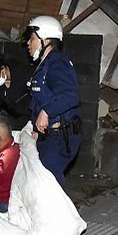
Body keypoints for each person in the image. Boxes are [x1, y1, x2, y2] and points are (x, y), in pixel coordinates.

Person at [25, 15, 82, 187]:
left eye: (32, 38)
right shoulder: (45, 64)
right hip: (49, 136)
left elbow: (70, 95)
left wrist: (46, 112)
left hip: (59, 137)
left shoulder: (57, 63)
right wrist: (37, 126)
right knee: (45, 183)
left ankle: (60, 214)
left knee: (49, 186)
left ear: (46, 40)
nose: (28, 43)